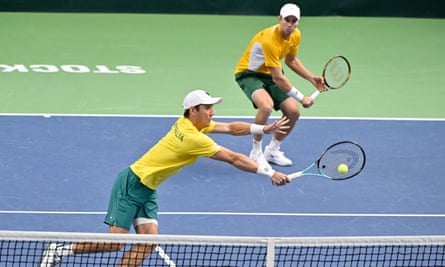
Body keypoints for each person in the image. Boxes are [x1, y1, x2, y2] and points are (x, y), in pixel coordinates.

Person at [40, 89, 291, 267]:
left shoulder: (187, 123)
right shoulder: (194, 138)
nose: (213, 112)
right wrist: (269, 172)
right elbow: (234, 158)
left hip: (147, 189)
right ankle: (60, 250)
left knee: (149, 243)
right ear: (193, 110)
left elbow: (229, 127)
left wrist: (262, 129)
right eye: (208, 108)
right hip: (132, 184)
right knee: (115, 242)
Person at [234, 3, 325, 168]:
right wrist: (301, 97)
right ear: (280, 19)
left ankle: (272, 150)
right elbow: (278, 79)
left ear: (298, 21)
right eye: (287, 20)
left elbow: (291, 60)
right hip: (249, 74)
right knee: (266, 106)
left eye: (294, 21)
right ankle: (255, 152)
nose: (290, 25)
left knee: (293, 112)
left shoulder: (295, 35)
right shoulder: (269, 40)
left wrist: (311, 78)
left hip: (269, 73)